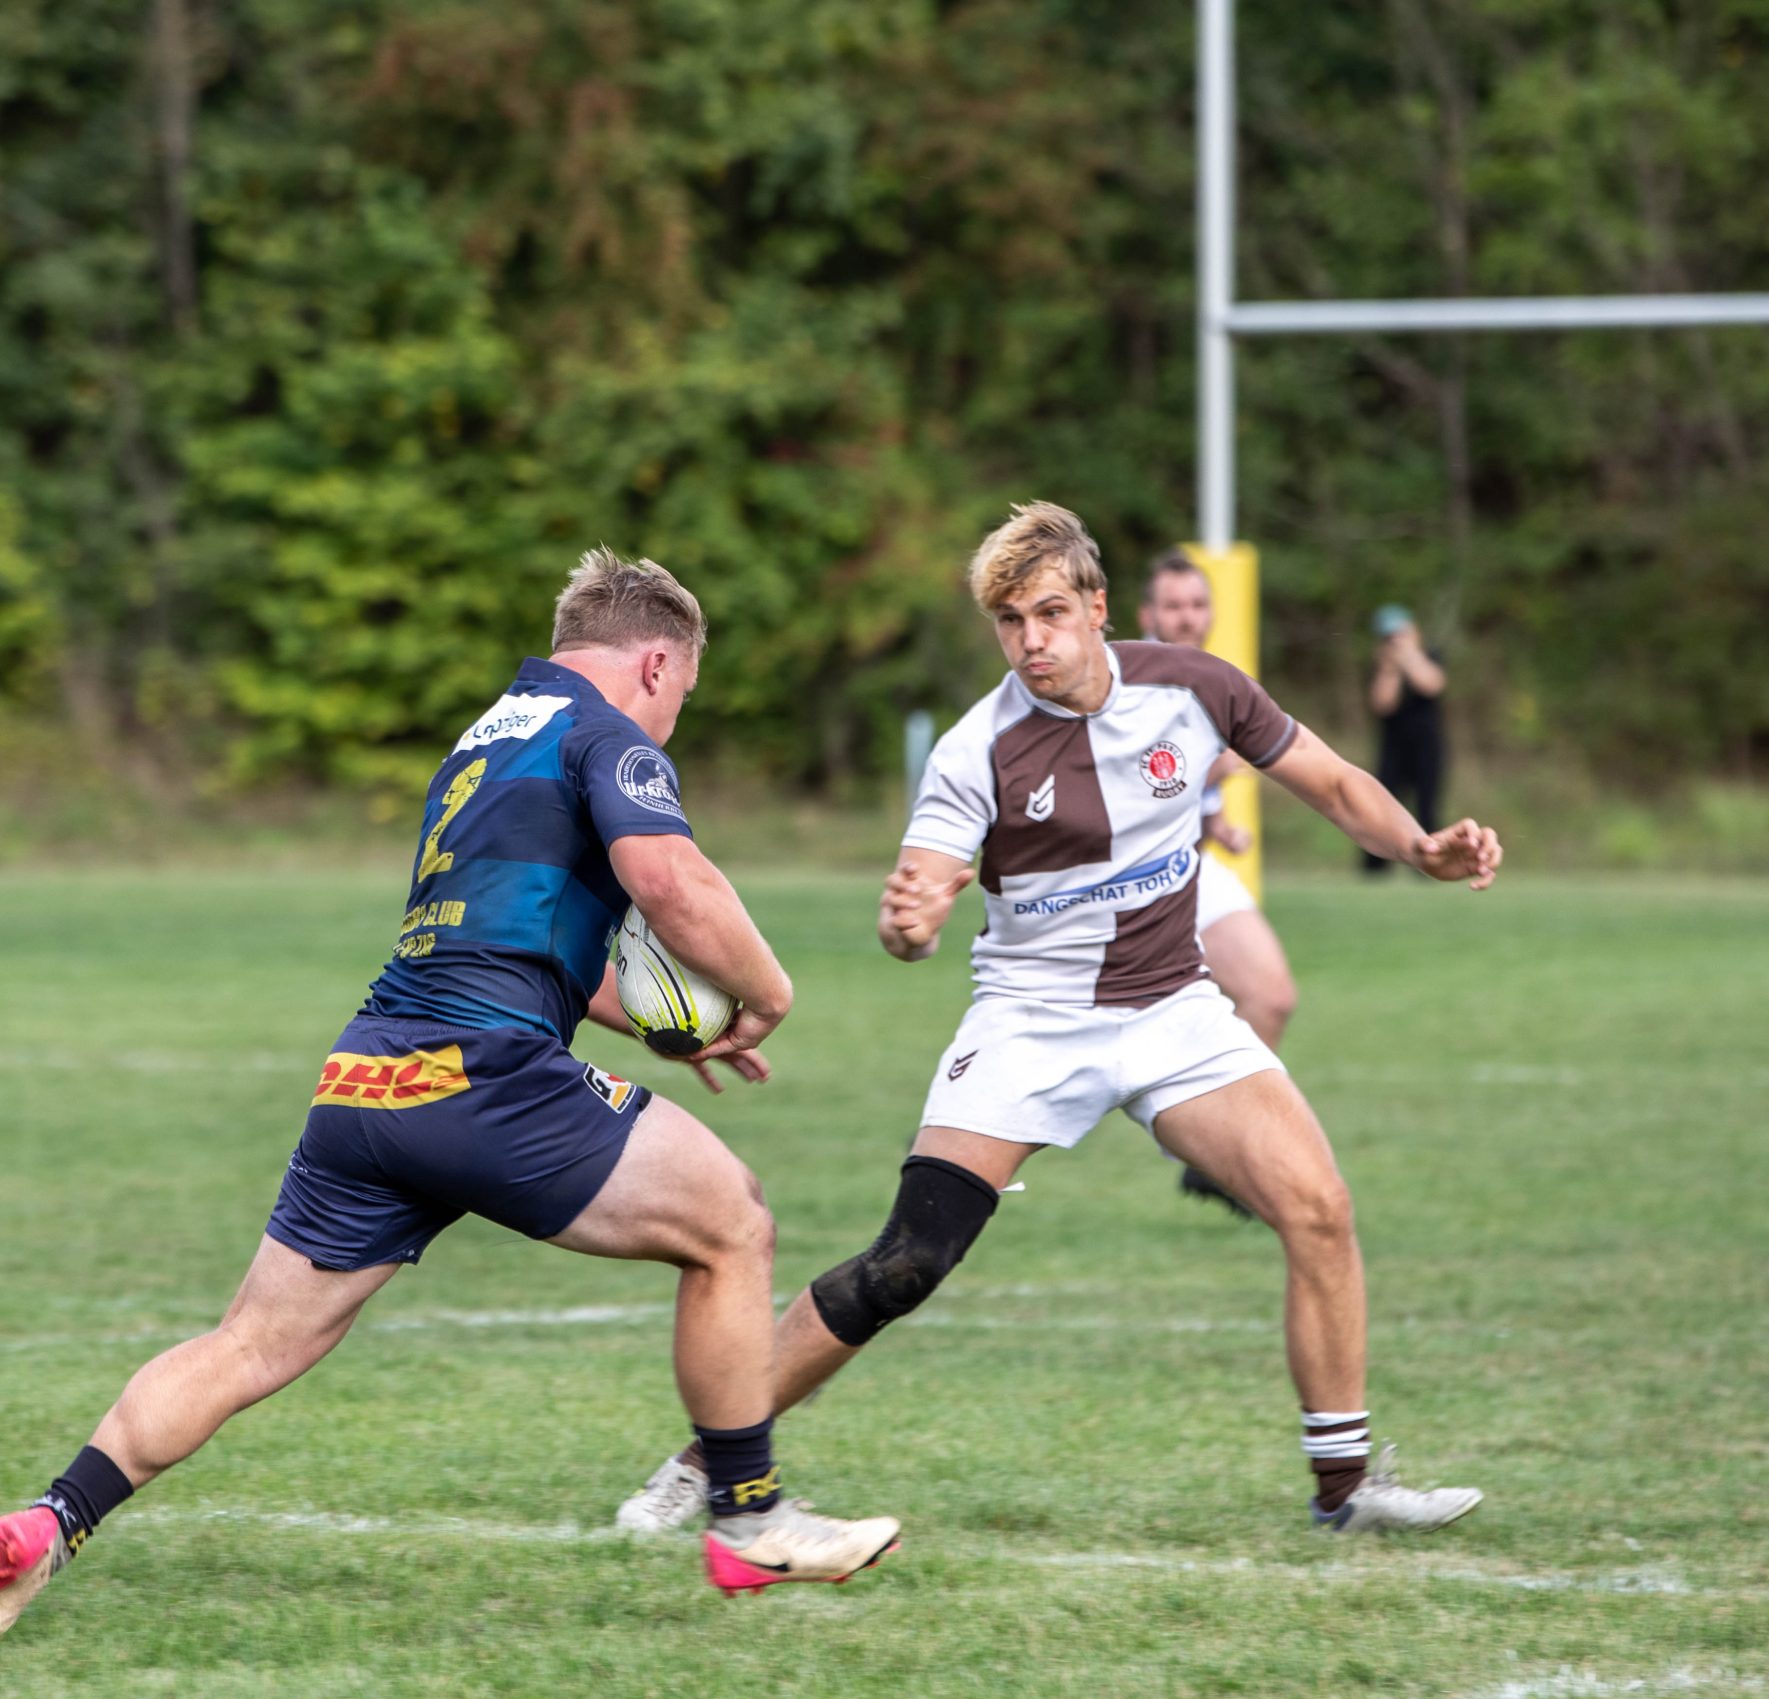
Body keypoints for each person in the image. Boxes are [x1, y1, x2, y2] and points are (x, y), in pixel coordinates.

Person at [0, 550, 902, 1639]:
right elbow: (671, 881)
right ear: (655, 663)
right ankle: (750, 1516)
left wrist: (659, 1029)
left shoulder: (485, 739)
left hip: (370, 1075)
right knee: (732, 1222)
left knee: (248, 1341)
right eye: (682, 692)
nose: (674, 717)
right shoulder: (610, 737)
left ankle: (51, 1519)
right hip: (486, 1074)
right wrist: (769, 991)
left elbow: (517, 939)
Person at [618, 502, 1499, 1538]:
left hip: (1173, 1006)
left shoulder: (1196, 688)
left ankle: (1346, 1490)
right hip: (1031, 1020)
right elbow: (918, 903)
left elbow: (1337, 783)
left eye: (1048, 613)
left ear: (1096, 606)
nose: (1030, 640)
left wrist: (1419, 846)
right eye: (1009, 621)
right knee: (908, 1259)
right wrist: (910, 923)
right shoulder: (976, 748)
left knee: (1319, 1207)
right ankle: (706, 1460)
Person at [1139, 552, 1299, 1221]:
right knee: (1077, 1037)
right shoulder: (1126, 684)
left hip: (1195, 867)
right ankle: (959, 1146)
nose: (1187, 617)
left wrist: (1220, 826)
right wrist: (1213, 769)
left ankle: (1210, 1155)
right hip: (1129, 882)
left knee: (1271, 995)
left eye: (1198, 604)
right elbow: (1130, 785)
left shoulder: (1212, 679)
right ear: (1147, 614)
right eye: (1174, 605)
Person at [1362, 603, 1447, 874]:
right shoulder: (1381, 666)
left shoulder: (1430, 656)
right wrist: (1391, 668)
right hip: (1393, 747)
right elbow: (1382, 703)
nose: (1395, 641)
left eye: (1400, 634)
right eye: (1389, 637)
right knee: (1381, 806)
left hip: (1427, 746)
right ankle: (1375, 868)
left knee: (1427, 807)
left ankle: (1429, 864)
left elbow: (1431, 684)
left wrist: (1409, 657)